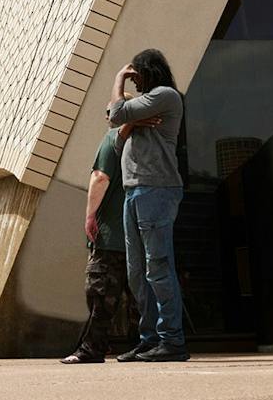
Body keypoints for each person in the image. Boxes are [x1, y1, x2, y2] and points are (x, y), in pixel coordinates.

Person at [107, 48, 189, 362]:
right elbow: (117, 141)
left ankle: (172, 340)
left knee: (158, 266)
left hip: (156, 189)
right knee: (136, 273)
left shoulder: (165, 95)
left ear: (147, 72)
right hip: (133, 191)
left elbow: (115, 114)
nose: (134, 81)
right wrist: (133, 123)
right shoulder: (145, 106)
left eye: (136, 75)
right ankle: (150, 339)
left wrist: (118, 79)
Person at [61, 125, 140, 363]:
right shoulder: (144, 142)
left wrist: (89, 216)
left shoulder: (111, 138)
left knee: (100, 294)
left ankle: (93, 348)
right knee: (138, 296)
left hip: (110, 235)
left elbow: (100, 177)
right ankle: (140, 344)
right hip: (138, 234)